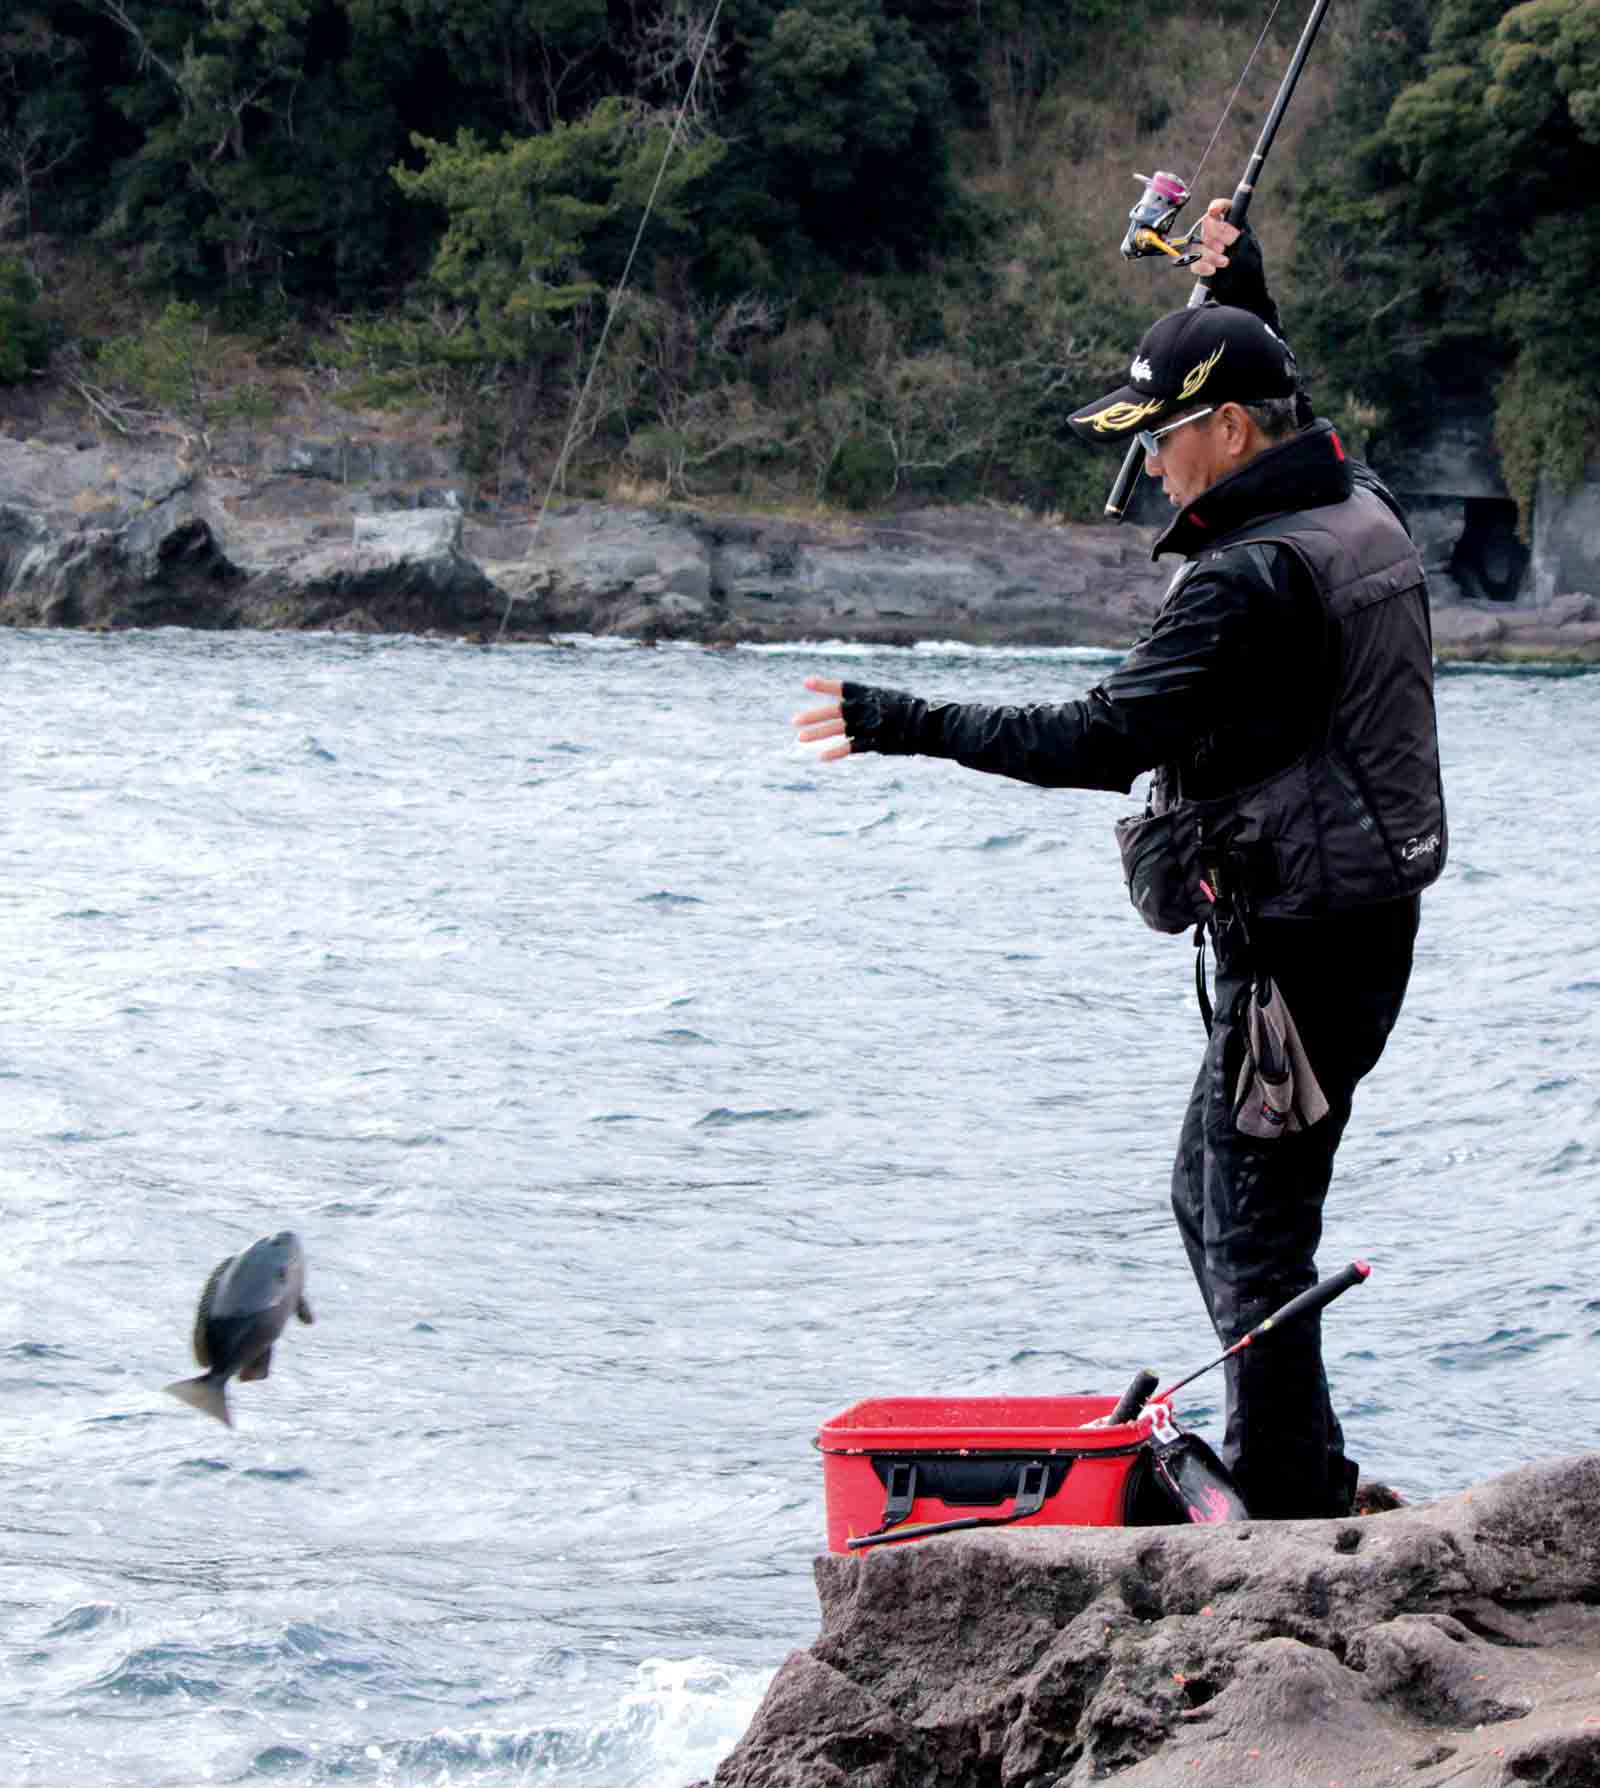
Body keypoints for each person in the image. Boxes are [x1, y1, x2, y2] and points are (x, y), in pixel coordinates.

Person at [790, 204, 1447, 1521]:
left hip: (1305, 951)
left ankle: (1293, 1502)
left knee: (1253, 1228)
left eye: (1161, 436)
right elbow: (1287, 393)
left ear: (1231, 430)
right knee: (1209, 1194)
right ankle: (1301, 1470)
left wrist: (900, 720)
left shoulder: (1246, 580)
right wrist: (1240, 285)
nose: (1149, 463)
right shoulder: (1351, 498)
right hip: (1355, 923)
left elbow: (1097, 740)